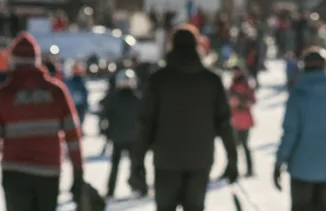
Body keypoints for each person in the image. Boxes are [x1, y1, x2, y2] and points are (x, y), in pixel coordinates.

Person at [131, 25, 238, 211]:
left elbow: (145, 124)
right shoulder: (211, 80)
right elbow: (224, 123)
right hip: (200, 159)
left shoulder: (158, 80)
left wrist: (137, 162)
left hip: (166, 160)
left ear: (171, 45)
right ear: (197, 45)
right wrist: (232, 158)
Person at [0, 32, 84, 211]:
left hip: (14, 174)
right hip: (48, 173)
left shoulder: (3, 95)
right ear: (37, 59)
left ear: (13, 60)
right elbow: (73, 137)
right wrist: (78, 173)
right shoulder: (56, 92)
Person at [274, 47, 326, 211]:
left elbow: (290, 133)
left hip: (302, 167)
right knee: (322, 207)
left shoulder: (298, 97)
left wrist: (280, 160)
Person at [100, 69, 142, 198]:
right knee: (136, 164)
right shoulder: (138, 99)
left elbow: (103, 114)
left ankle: (111, 190)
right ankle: (141, 187)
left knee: (116, 165)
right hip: (133, 137)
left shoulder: (113, 98)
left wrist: (105, 131)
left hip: (118, 137)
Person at [228, 68, 257, 178]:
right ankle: (232, 169)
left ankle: (249, 169)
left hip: (244, 120)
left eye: (237, 71)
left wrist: (241, 102)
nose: (235, 73)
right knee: (234, 146)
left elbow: (252, 100)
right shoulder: (232, 85)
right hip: (235, 120)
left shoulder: (246, 86)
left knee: (243, 145)